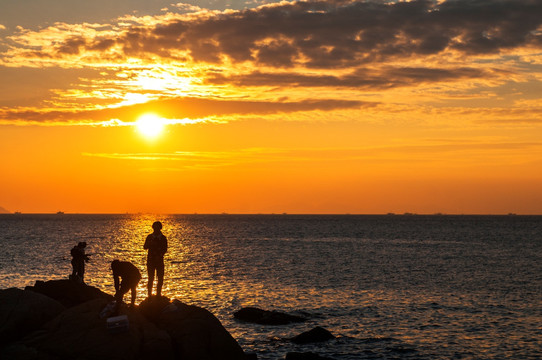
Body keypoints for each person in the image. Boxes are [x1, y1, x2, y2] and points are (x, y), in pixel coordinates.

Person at [143, 221, 168, 298]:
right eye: (155, 227)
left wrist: (160, 255)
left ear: (160, 228)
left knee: (160, 278)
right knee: (151, 278)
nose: (156, 229)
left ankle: (158, 294)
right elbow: (145, 247)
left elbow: (165, 249)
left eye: (157, 227)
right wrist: (150, 243)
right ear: (153, 227)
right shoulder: (149, 237)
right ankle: (149, 295)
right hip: (150, 260)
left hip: (159, 260)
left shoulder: (163, 238)